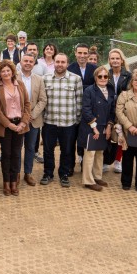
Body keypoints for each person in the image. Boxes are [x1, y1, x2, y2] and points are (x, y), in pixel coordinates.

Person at [41, 53, 82, 187]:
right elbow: (42, 100)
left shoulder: (76, 79)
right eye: (57, 61)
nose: (59, 64)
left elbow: (79, 102)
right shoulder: (45, 79)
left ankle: (64, 174)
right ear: (54, 62)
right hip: (49, 122)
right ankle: (48, 173)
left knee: (67, 150)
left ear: (67, 64)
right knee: (48, 150)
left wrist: (76, 121)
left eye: (62, 62)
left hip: (68, 123)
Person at [0, 60, 31, 196]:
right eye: (3, 71)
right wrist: (9, 124)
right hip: (5, 126)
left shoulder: (20, 84)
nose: (6, 73)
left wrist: (23, 123)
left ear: (12, 71)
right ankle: (6, 183)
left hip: (20, 125)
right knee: (6, 154)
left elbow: (27, 104)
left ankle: (14, 182)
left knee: (16, 154)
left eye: (8, 70)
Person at [79, 66, 115, 192]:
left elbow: (112, 110)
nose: (103, 78)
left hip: (104, 126)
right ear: (95, 77)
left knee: (100, 153)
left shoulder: (110, 90)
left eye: (106, 76)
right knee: (90, 154)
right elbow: (86, 110)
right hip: (91, 127)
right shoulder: (89, 90)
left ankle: (97, 177)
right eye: (100, 76)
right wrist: (94, 127)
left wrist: (109, 126)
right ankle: (88, 181)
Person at [19, 53, 47, 186]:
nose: (28, 63)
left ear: (34, 63)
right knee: (17, 147)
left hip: (33, 120)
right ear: (21, 61)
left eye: (31, 61)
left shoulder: (39, 79)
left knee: (30, 147)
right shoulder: (14, 77)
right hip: (17, 119)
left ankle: (28, 173)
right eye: (26, 61)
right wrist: (22, 116)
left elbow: (43, 100)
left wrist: (32, 115)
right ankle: (16, 173)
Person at [105, 48, 132, 174]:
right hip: (108, 108)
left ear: (121, 60)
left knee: (121, 135)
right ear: (109, 61)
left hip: (123, 109)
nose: (115, 61)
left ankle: (118, 160)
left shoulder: (128, 75)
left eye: (117, 58)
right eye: (112, 58)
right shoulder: (105, 73)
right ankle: (106, 161)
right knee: (107, 134)